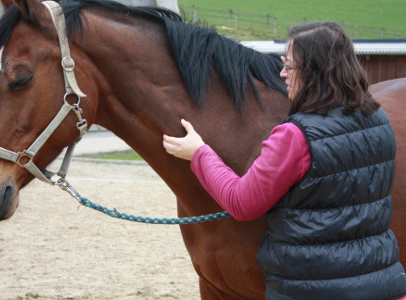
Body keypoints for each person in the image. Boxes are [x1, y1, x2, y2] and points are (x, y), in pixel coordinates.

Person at [162, 22, 406, 300]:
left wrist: (199, 153)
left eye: (289, 67)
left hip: (311, 290)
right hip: (383, 286)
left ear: (315, 72)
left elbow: (241, 203)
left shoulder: (295, 136)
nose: (282, 74)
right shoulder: (377, 121)